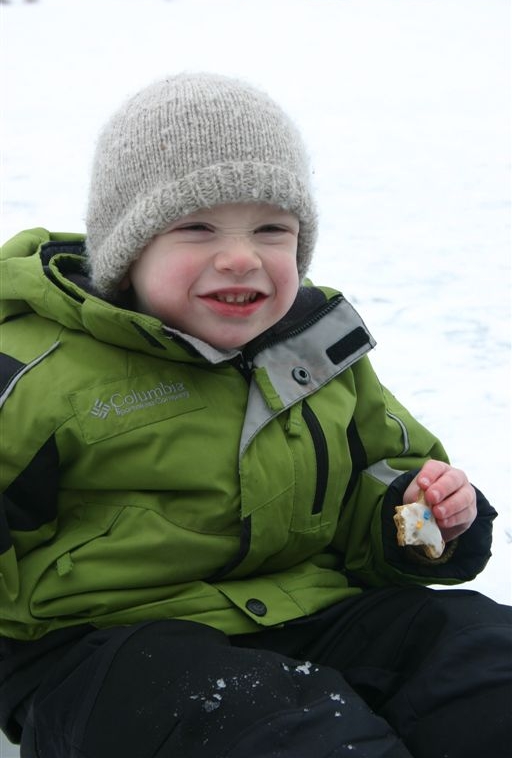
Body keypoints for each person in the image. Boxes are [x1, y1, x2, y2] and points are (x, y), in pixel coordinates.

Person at [0, 72, 510, 758]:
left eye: (273, 228)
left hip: (310, 609)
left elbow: (379, 487)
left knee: (478, 656)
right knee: (280, 731)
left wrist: (425, 517)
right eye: (196, 226)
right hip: (103, 650)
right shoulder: (39, 366)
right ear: (129, 246)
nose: (242, 257)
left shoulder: (320, 351)